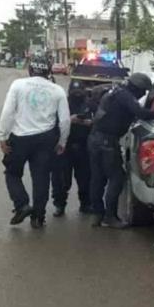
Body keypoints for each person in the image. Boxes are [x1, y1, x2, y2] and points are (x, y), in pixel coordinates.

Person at [0, 55, 70, 229]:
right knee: (41, 178)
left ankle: (22, 205)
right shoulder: (57, 90)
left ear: (30, 69)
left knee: (12, 173)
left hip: (20, 138)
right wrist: (62, 141)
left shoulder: (18, 85)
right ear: (48, 70)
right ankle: (38, 217)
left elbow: (7, 112)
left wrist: (2, 136)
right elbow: (65, 121)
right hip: (45, 140)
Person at [88, 72, 154, 228]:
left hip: (95, 138)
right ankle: (110, 217)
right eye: (143, 90)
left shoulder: (115, 91)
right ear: (137, 87)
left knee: (98, 178)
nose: (143, 94)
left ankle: (97, 214)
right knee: (117, 178)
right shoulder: (125, 95)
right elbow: (140, 112)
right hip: (107, 141)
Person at [51, 84, 93, 217]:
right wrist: (70, 120)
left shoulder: (90, 104)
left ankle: (85, 204)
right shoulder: (61, 104)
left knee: (85, 179)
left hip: (83, 147)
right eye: (74, 91)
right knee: (61, 180)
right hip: (64, 147)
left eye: (79, 91)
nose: (77, 94)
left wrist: (89, 122)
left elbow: (99, 120)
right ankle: (59, 205)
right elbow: (52, 123)